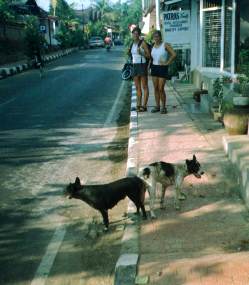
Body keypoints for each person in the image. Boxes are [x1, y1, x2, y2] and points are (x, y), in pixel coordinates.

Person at [150, 30, 176, 114]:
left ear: (160, 37)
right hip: (154, 68)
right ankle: (157, 106)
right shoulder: (152, 45)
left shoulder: (165, 45)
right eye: (154, 37)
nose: (156, 38)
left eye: (157, 36)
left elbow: (174, 54)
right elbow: (152, 58)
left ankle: (163, 107)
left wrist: (166, 63)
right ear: (153, 38)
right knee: (156, 88)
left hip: (162, 68)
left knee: (161, 88)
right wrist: (148, 67)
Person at [129, 27, 150, 112]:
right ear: (132, 34)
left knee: (144, 86)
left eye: (137, 34)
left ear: (139, 35)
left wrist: (141, 53)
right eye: (134, 34)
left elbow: (149, 55)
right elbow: (132, 55)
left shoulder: (143, 43)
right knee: (137, 87)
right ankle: (138, 105)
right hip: (135, 66)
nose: (135, 35)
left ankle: (144, 106)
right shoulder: (132, 44)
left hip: (142, 65)